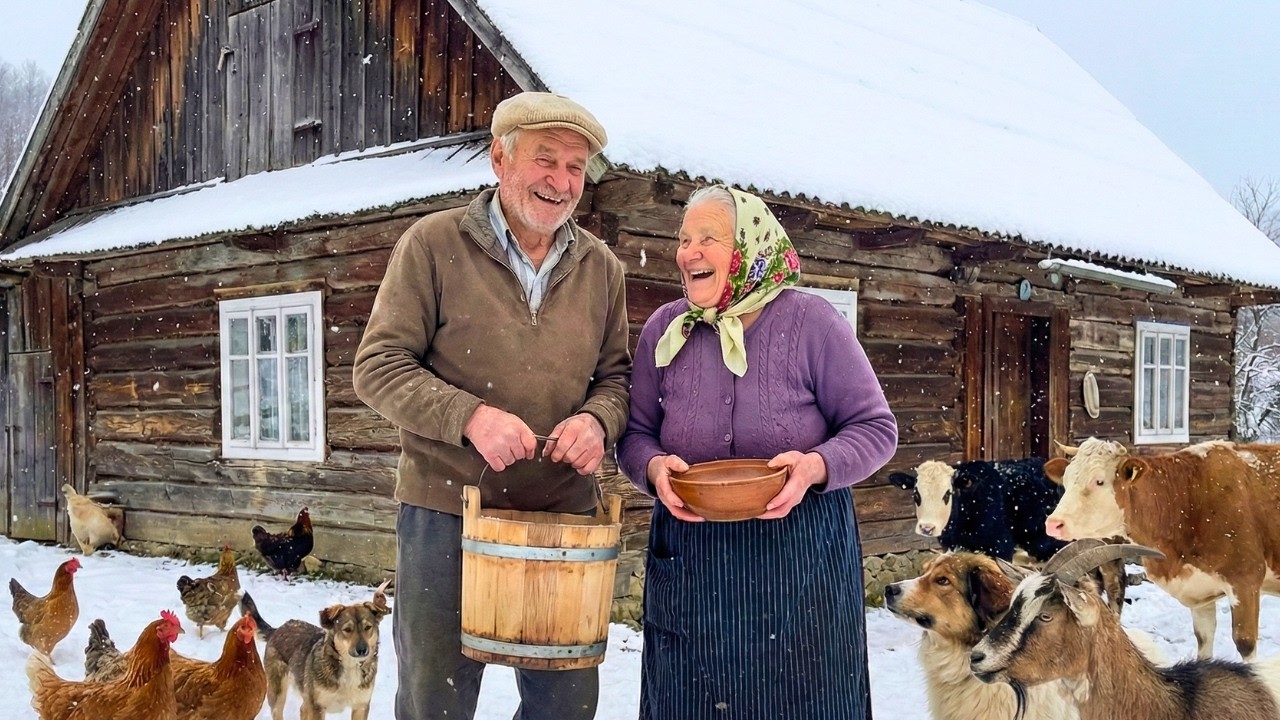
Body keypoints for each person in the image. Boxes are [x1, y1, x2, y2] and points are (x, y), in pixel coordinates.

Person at [353, 91, 631, 720]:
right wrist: (469, 418)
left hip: (564, 524)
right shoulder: (432, 244)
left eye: (575, 167)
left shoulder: (602, 268)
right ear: (499, 159)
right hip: (447, 513)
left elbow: (616, 380)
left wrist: (597, 420)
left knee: (564, 706)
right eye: (545, 159)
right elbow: (376, 367)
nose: (561, 182)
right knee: (434, 703)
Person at [617, 184, 898, 720]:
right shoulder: (665, 330)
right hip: (695, 563)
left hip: (800, 562)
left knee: (802, 704)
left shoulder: (813, 324)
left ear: (749, 247)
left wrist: (816, 466)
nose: (688, 252)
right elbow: (634, 436)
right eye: (683, 240)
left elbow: (875, 428)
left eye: (708, 239)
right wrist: (653, 468)